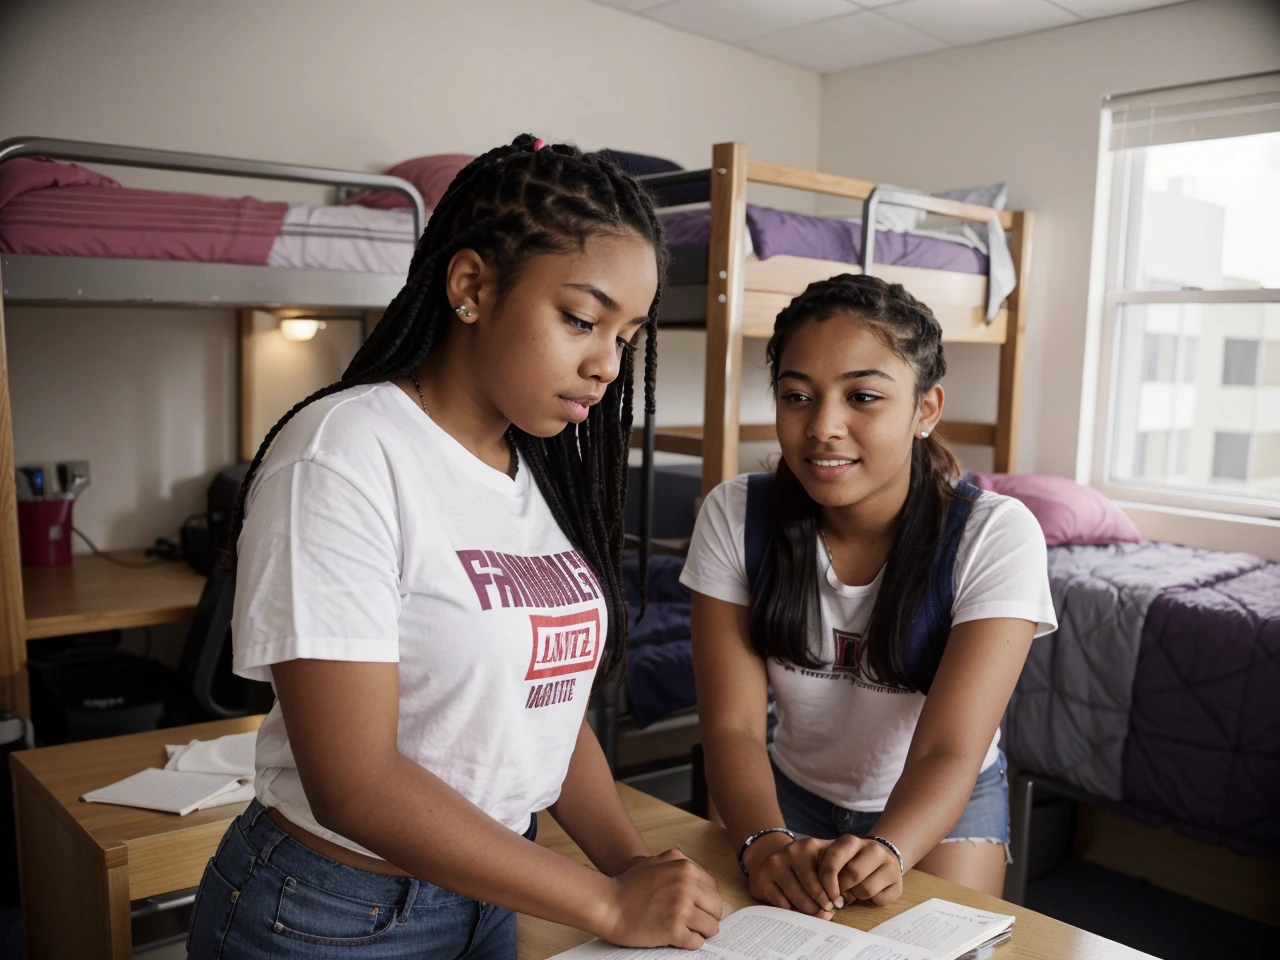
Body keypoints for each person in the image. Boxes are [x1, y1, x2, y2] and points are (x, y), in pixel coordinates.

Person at [186, 135, 722, 960]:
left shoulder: (542, 468)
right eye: (582, 319)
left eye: (626, 338)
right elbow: (354, 785)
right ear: (471, 285)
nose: (606, 364)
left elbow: (541, 709)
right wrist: (606, 905)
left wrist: (636, 870)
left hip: (490, 890)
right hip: (330, 915)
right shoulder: (346, 451)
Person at [682, 274, 1056, 917]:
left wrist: (889, 846)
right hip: (786, 793)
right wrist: (766, 844)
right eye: (797, 396)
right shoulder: (735, 514)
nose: (824, 426)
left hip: (942, 798)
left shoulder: (995, 534)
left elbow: (950, 749)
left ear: (925, 410)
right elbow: (732, 725)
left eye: (863, 396)